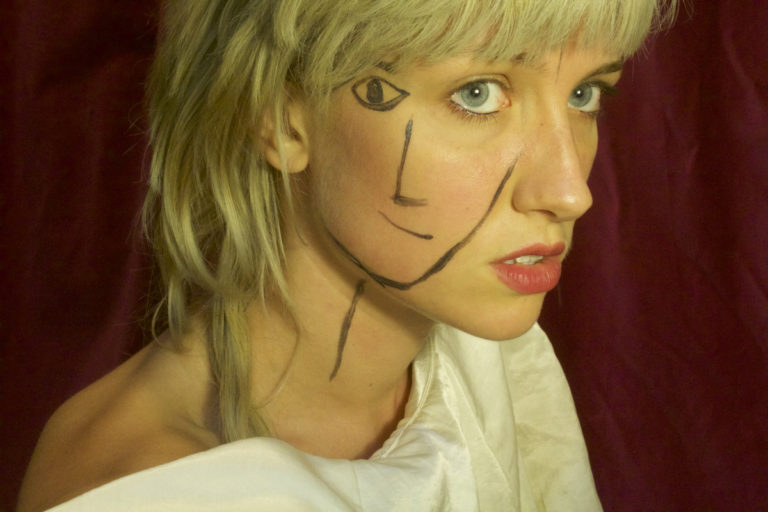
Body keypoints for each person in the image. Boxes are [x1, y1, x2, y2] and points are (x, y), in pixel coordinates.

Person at [18, 0, 676, 510]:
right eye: (477, 94)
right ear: (281, 118)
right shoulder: (149, 487)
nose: (570, 191)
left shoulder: (494, 358)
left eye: (585, 94)